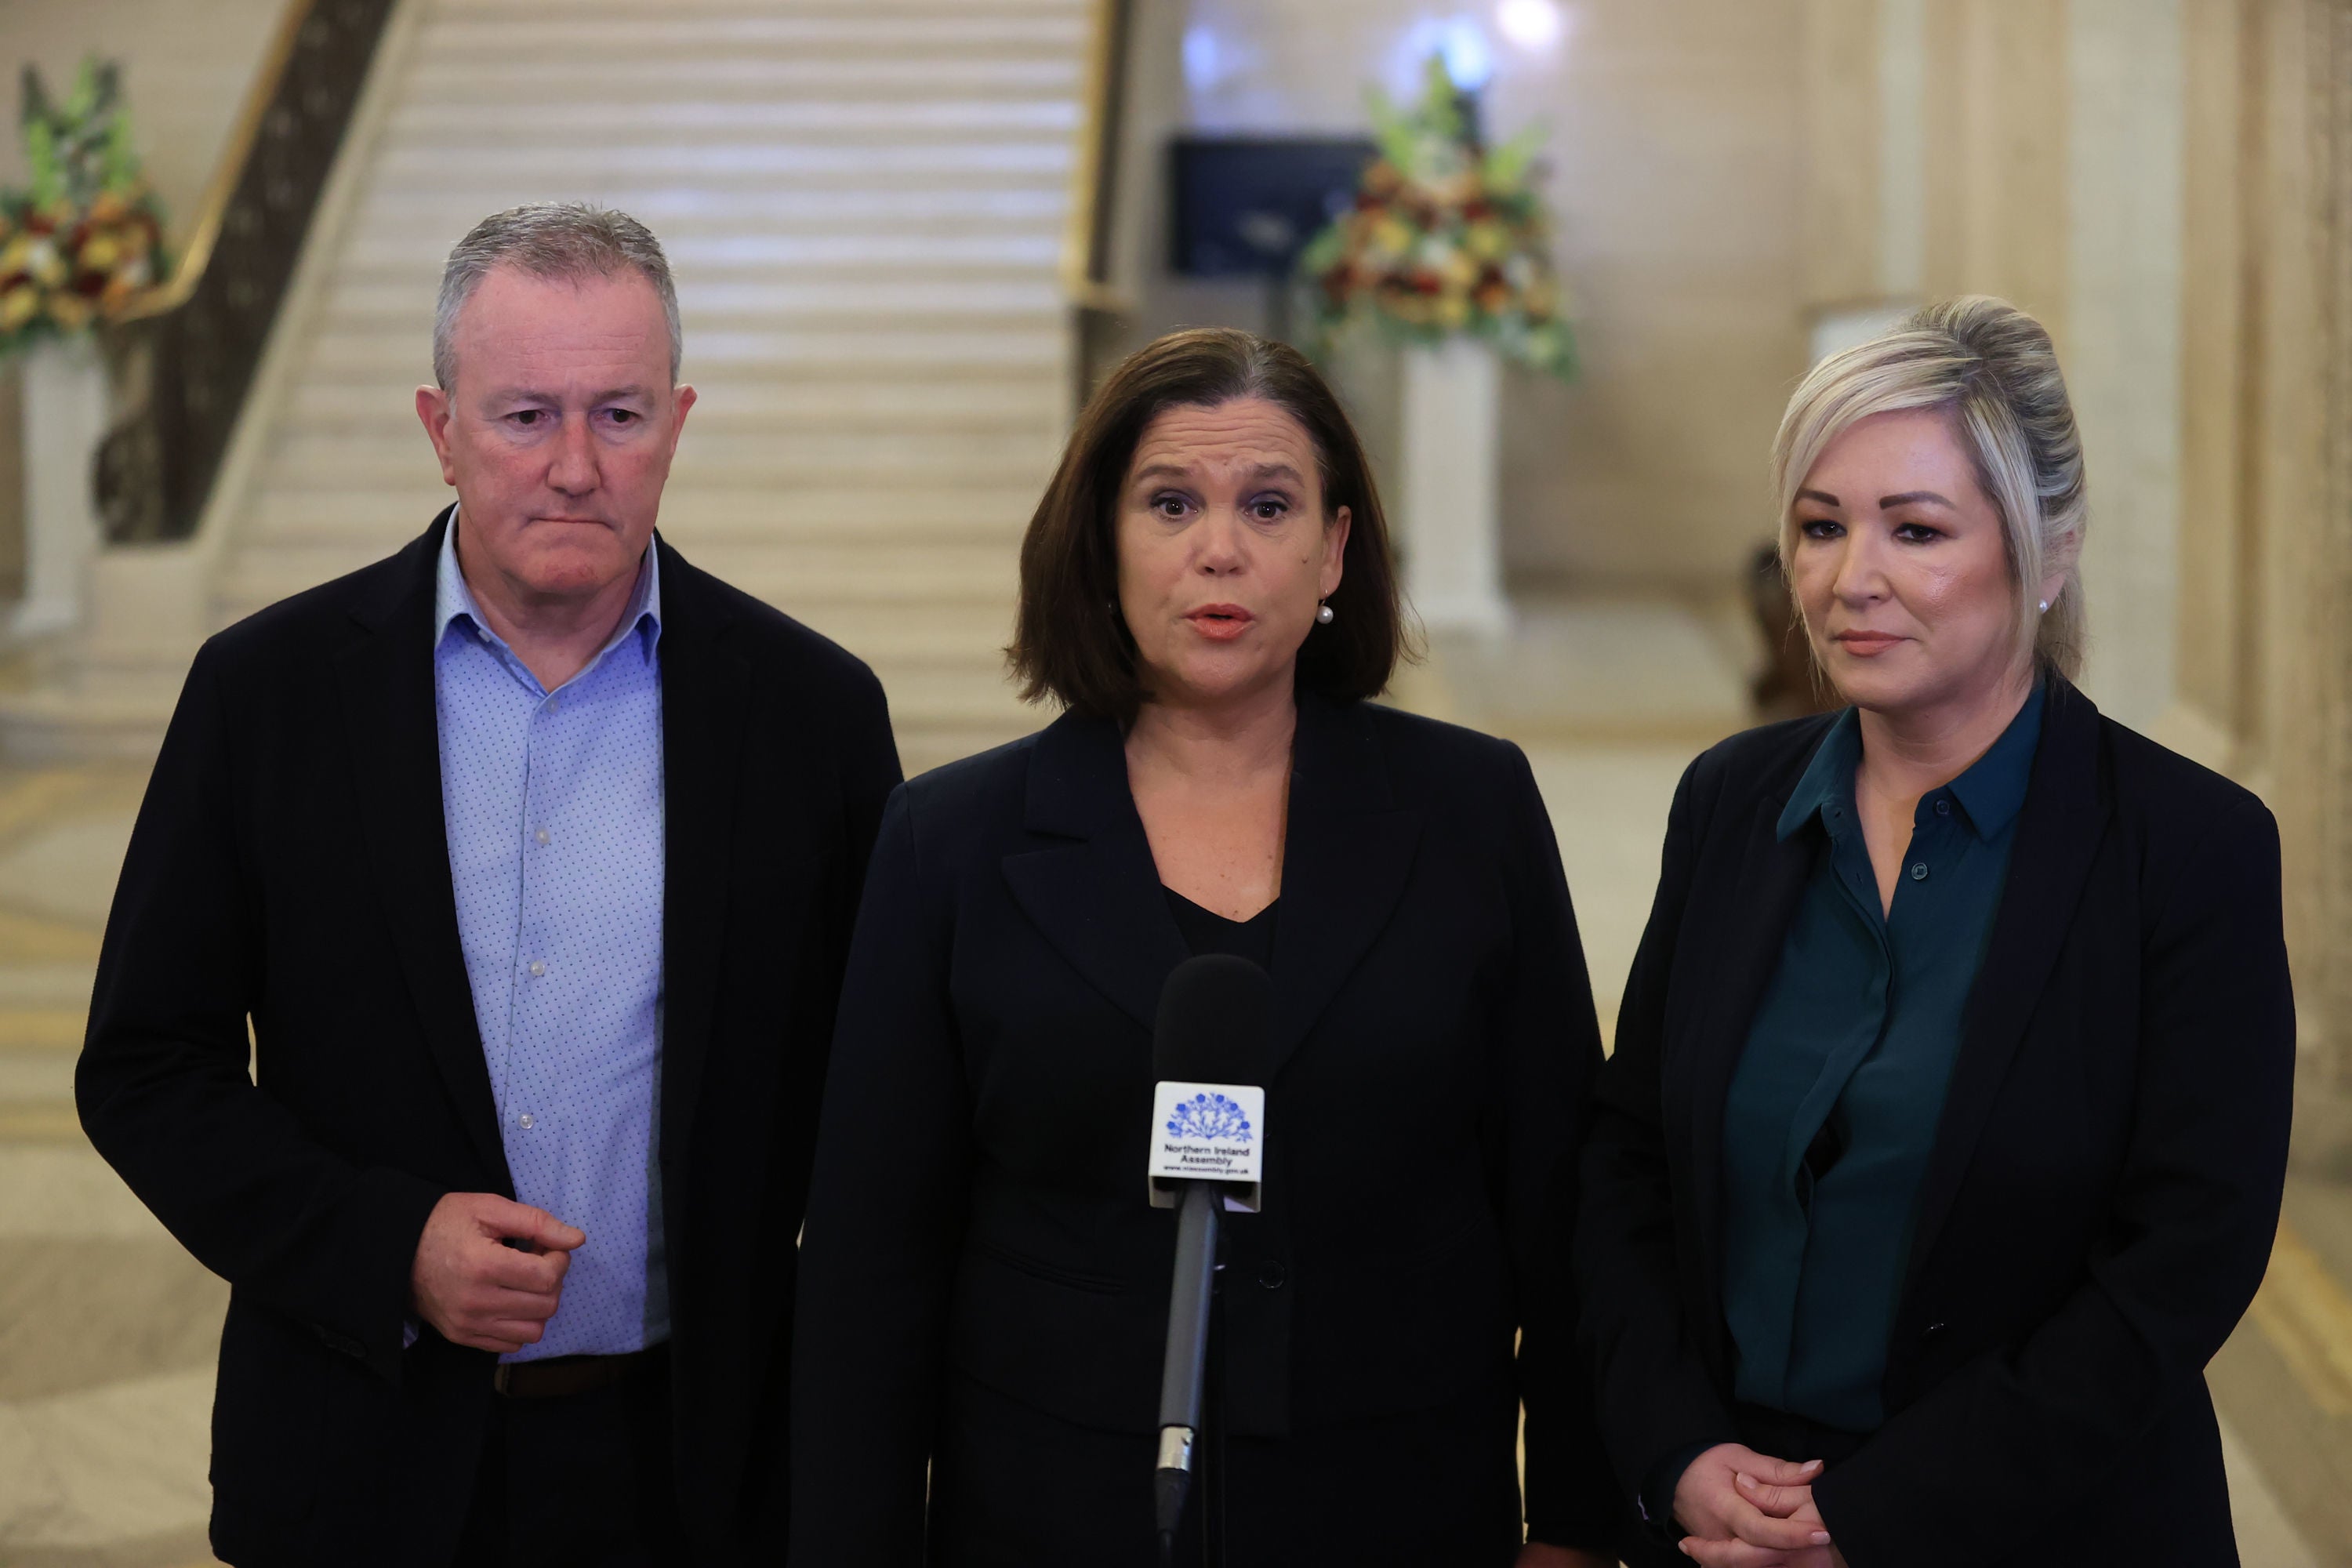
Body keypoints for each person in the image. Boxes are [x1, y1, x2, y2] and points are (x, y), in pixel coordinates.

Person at [74, 203, 901, 1566]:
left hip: (702, 1475)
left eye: (620, 415)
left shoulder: (810, 714)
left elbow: (885, 1102)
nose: (577, 466)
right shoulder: (268, 696)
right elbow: (146, 1068)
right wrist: (383, 1241)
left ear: (678, 424)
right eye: (525, 416)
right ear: (438, 426)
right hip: (363, 1456)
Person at [787, 327, 1623, 1566]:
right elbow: (872, 1263)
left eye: (1268, 504)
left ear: (1333, 547)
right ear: (1102, 542)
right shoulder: (949, 842)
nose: (1219, 549)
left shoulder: (1472, 809)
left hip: (1396, 1497)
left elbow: (1559, 1201)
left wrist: (1573, 1522)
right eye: (1171, 502)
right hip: (1052, 1509)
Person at [1576, 296, 2296, 1568]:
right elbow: (1628, 1161)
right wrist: (1676, 1449)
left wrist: (1880, 1517)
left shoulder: (2187, 850)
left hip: (2035, 1527)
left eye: (1916, 530)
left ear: (2048, 554)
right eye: (1819, 527)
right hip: (1722, 1525)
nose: (1852, 580)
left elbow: (2182, 1261)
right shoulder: (1734, 803)